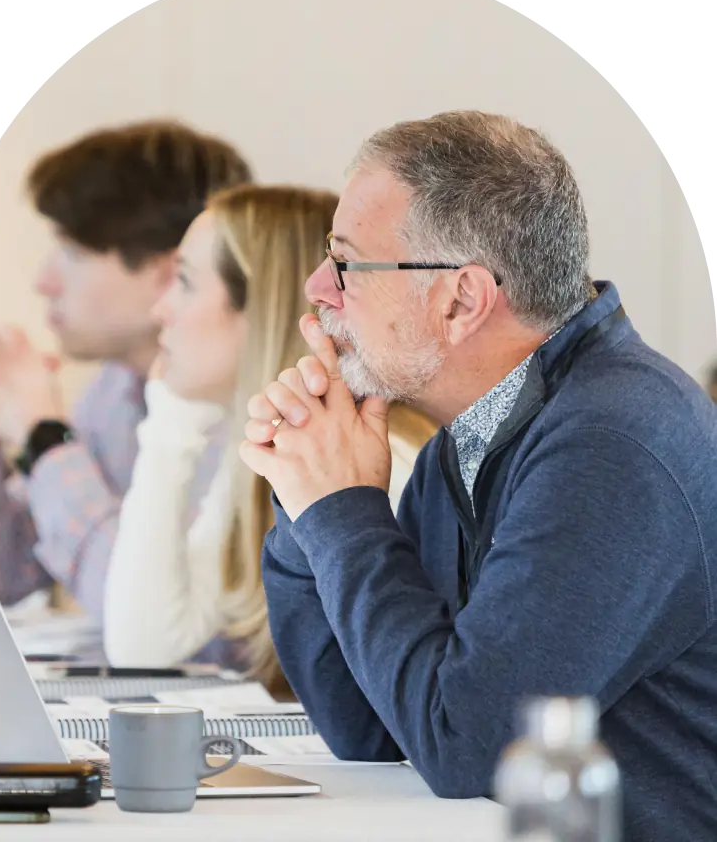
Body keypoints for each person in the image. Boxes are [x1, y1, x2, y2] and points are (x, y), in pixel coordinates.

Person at [240, 111, 717, 842]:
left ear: (460, 300)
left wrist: (341, 509)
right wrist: (310, 500)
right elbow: (372, 730)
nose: (317, 289)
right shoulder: (468, 440)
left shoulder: (612, 445)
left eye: (346, 264)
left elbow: (470, 746)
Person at [103, 184, 438, 691]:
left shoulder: (384, 458)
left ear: (259, 307)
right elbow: (144, 647)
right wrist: (168, 432)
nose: (160, 312)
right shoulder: (269, 447)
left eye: (186, 283)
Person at [0, 121, 252, 622]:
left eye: (73, 251)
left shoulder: (248, 408)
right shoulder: (113, 392)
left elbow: (150, 623)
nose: (43, 281)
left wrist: (43, 438)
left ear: (167, 269)